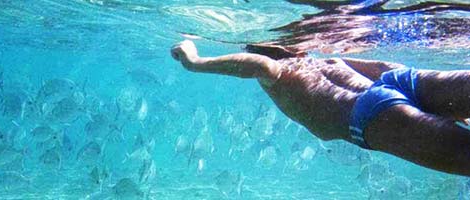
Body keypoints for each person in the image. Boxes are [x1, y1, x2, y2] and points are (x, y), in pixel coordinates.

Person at [171, 40, 470, 176]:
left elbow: (258, 64)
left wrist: (195, 62)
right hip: (396, 80)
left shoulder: (283, 73)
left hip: (366, 113)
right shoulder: (310, 59)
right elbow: (375, 69)